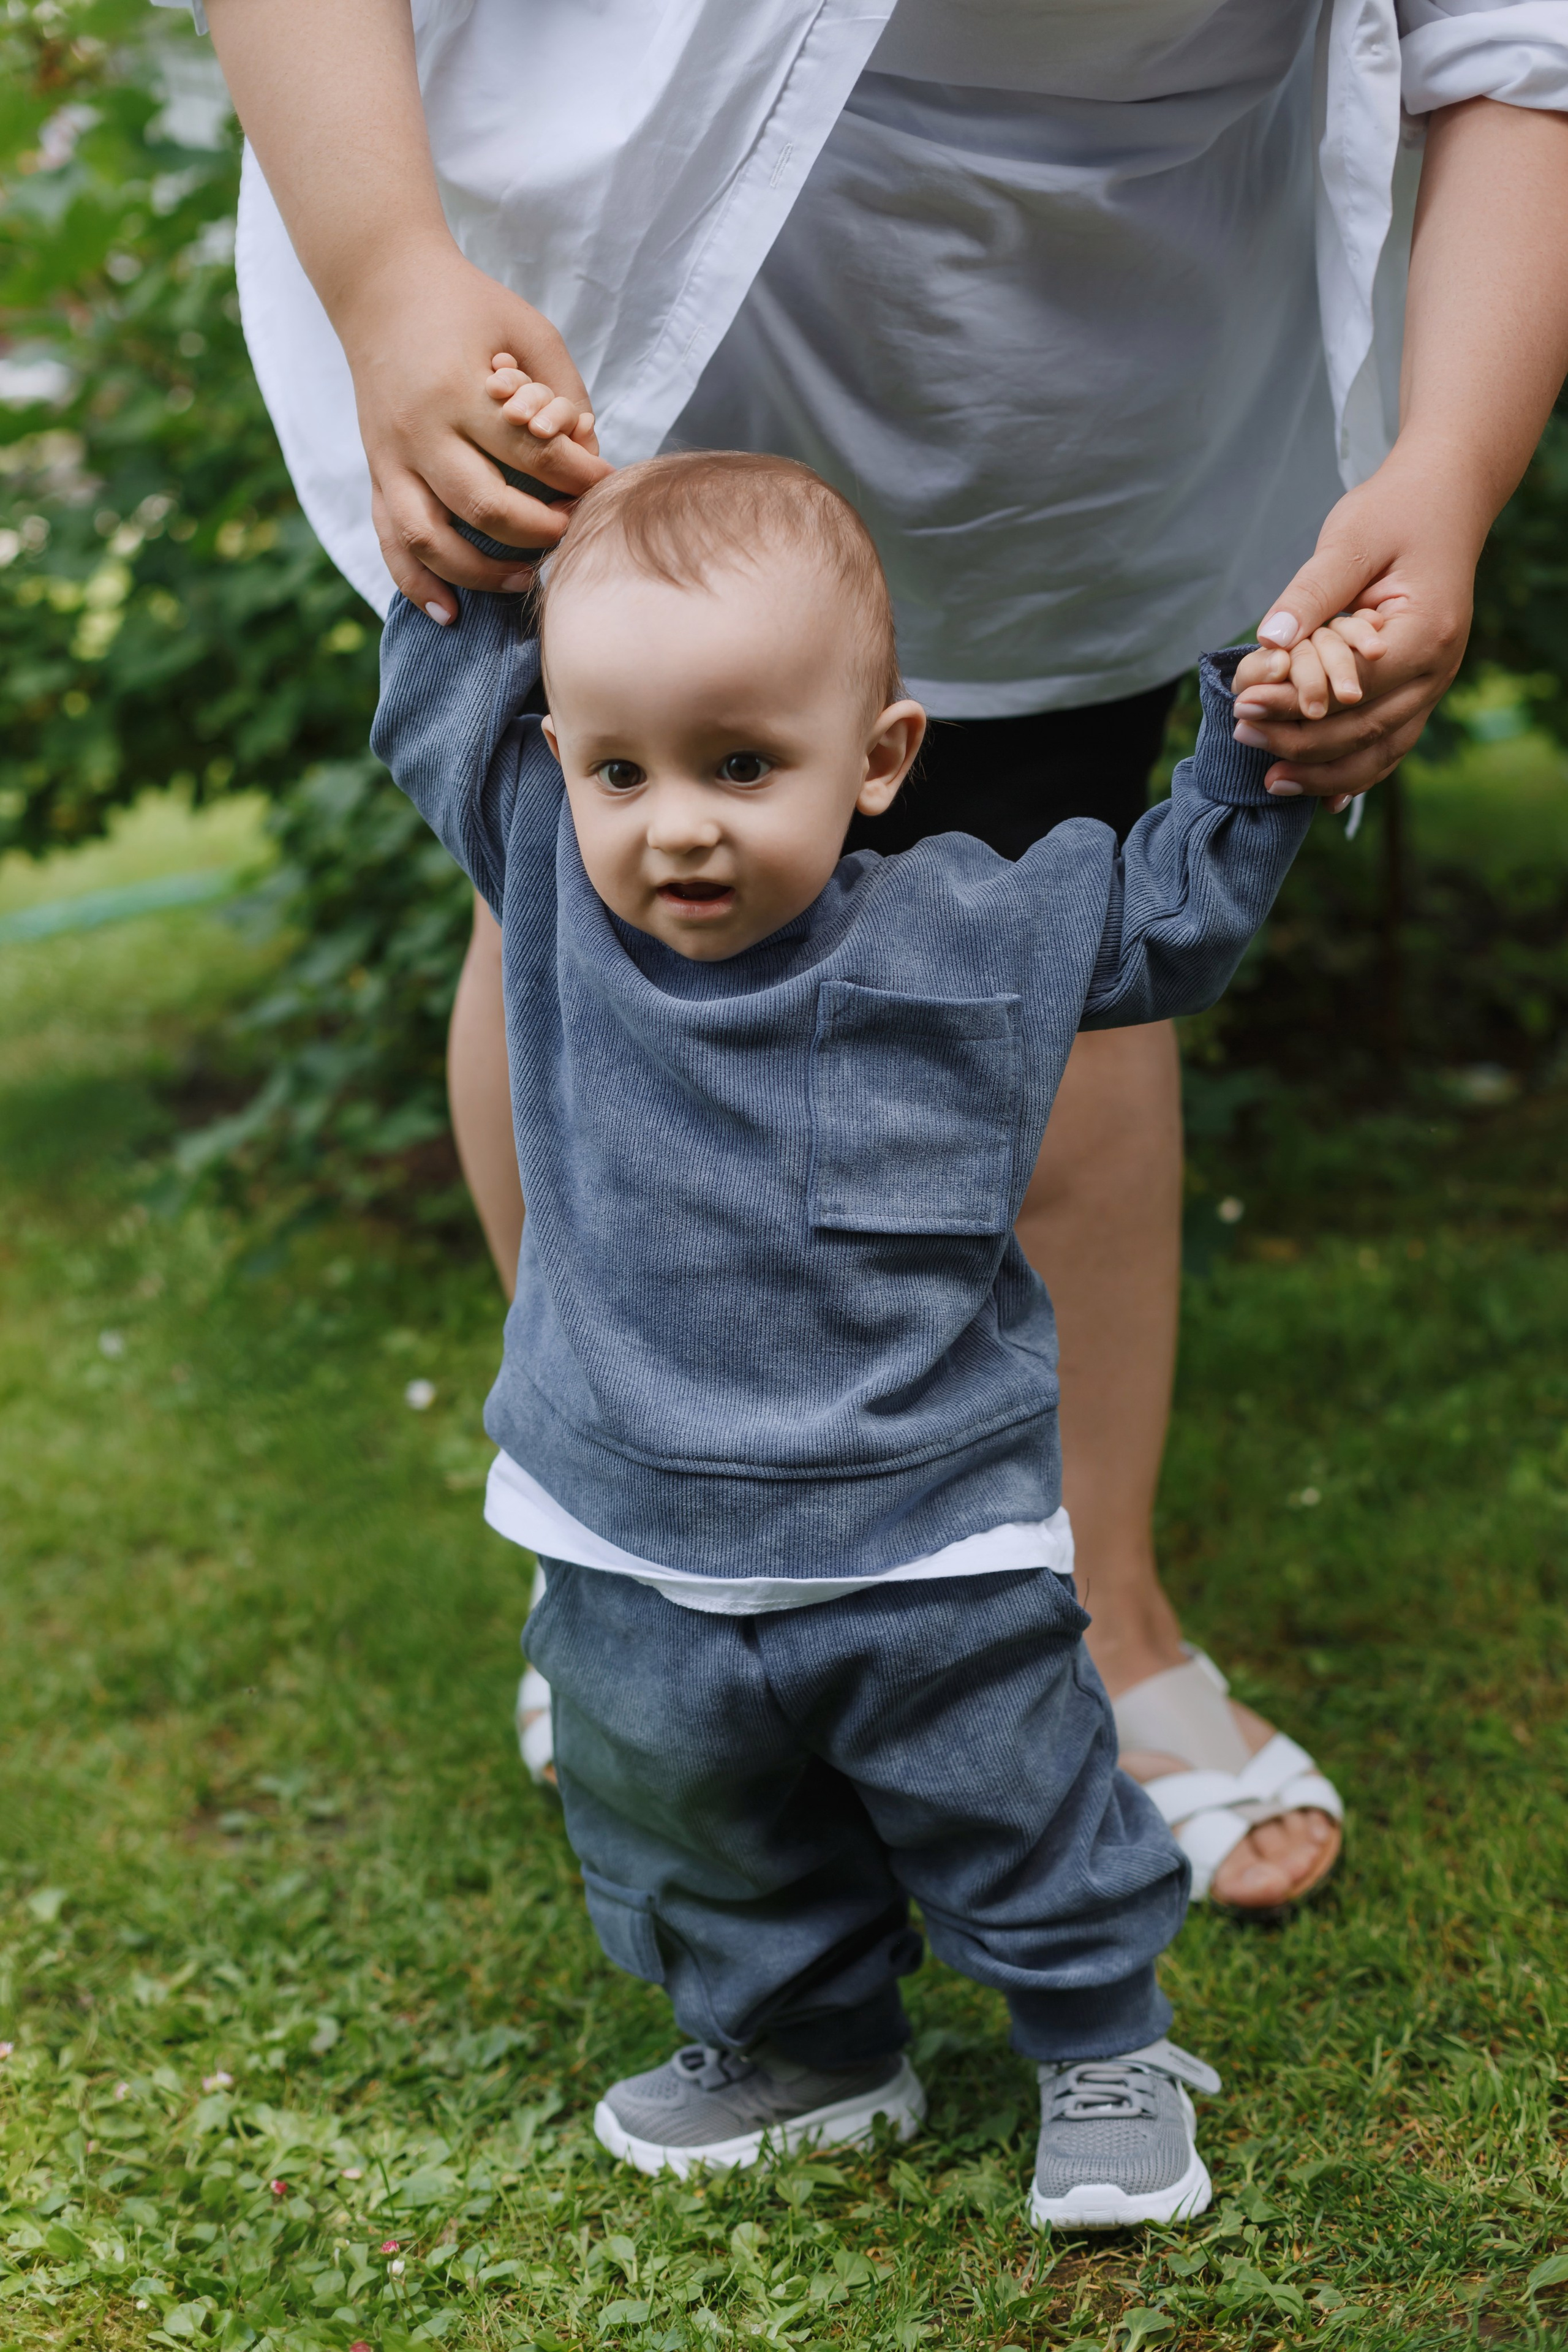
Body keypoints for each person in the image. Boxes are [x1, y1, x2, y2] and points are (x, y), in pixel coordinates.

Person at [179, 0, 1568, 1910]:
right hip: (618, 311)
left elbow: (1520, 39)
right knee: (585, 942)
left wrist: (1453, 465)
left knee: (1040, 950)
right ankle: (637, 1559)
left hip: (1079, 360)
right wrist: (385, 263)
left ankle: (1089, 1599)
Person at [370, 446, 1343, 2217]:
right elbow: (441, 697)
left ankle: (1104, 2040)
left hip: (925, 1539)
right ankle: (811, 2044)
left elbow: (1175, 916)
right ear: (553, 761)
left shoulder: (975, 935)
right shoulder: (553, 915)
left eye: (743, 764)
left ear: (878, 759)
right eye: (618, 767)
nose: (676, 822)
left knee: (1018, 1795)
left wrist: (1255, 742)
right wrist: (476, 531)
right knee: (690, 1821)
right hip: (631, 1535)